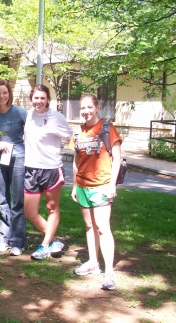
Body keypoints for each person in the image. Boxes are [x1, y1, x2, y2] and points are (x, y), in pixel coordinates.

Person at [70, 94, 121, 291]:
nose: (86, 111)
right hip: (83, 185)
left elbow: (116, 159)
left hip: (101, 185)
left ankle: (109, 271)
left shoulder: (107, 129)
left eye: (89, 107)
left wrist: (112, 185)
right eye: (83, 108)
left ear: (97, 107)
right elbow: (76, 161)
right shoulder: (78, 132)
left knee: (102, 227)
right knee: (90, 226)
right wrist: (75, 185)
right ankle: (93, 262)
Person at [24, 84, 72, 260]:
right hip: (31, 168)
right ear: (32, 99)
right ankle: (54, 240)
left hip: (51, 168)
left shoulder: (56, 117)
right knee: (29, 212)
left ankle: (44, 245)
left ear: (47, 99)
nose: (39, 101)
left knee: (52, 208)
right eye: (36, 98)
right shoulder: (28, 115)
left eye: (42, 98)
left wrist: (56, 131)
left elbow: (69, 137)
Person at [0, 80, 27, 256]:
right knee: (2, 200)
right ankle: (4, 239)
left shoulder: (20, 112)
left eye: (4, 93)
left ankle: (18, 242)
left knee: (17, 202)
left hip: (18, 158)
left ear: (9, 94)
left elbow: (32, 132)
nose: (1, 96)